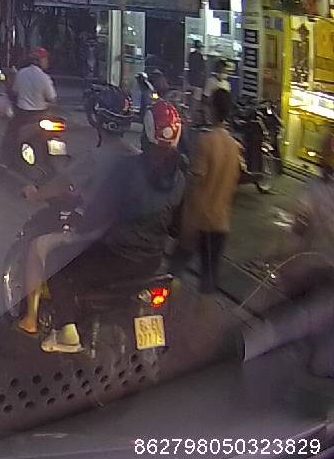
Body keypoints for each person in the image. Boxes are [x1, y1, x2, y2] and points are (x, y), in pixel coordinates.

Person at [39, 101, 187, 353]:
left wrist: (78, 229)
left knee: (57, 262)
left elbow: (99, 212)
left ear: (145, 133)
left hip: (116, 257)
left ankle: (67, 332)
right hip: (151, 261)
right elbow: (176, 228)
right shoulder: (180, 179)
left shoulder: (127, 169)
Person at [16, 89, 141, 335]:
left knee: (38, 247)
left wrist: (35, 194)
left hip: (94, 235)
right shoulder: (137, 155)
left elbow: (60, 184)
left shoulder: (95, 157)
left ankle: (30, 319)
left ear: (98, 119)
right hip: (126, 237)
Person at [173, 88, 239, 293]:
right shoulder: (234, 146)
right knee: (208, 282)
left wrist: (183, 219)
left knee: (174, 272)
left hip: (199, 222)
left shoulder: (205, 142)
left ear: (213, 109)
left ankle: (170, 308)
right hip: (221, 225)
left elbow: (194, 184)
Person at [3, 47, 57, 158]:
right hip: (41, 114)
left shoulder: (21, 74)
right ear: (40, 60)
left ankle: (8, 159)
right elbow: (52, 98)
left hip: (22, 114)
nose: (47, 61)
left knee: (11, 136)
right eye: (45, 59)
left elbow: (15, 92)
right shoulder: (44, 78)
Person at [187, 40, 206, 106]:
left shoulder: (191, 55)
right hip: (198, 81)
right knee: (196, 101)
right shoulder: (200, 56)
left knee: (190, 98)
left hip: (191, 80)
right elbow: (202, 68)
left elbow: (190, 66)